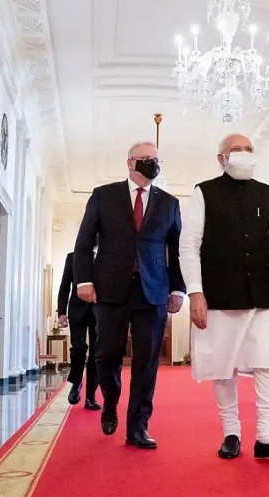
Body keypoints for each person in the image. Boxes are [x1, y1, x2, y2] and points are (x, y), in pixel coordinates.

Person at [180, 133, 269, 460]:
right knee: (223, 364)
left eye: (248, 149)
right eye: (236, 150)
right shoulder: (204, 193)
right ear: (221, 158)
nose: (243, 154)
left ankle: (267, 435)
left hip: (265, 291)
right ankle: (231, 433)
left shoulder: (268, 194)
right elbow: (189, 245)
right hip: (220, 293)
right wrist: (196, 292)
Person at [74, 141, 185, 449]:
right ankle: (110, 402)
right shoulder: (103, 195)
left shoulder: (169, 203)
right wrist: (83, 281)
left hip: (153, 292)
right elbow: (84, 243)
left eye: (157, 160)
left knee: (147, 362)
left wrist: (178, 289)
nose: (153, 164)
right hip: (109, 290)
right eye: (147, 159)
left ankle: (138, 426)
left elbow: (177, 252)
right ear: (130, 163)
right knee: (107, 354)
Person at [57, 250, 100, 410]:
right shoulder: (73, 257)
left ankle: (91, 397)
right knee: (79, 349)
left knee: (96, 354)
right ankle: (76, 383)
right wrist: (61, 312)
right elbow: (65, 285)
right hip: (77, 310)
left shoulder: (107, 254)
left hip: (99, 311)